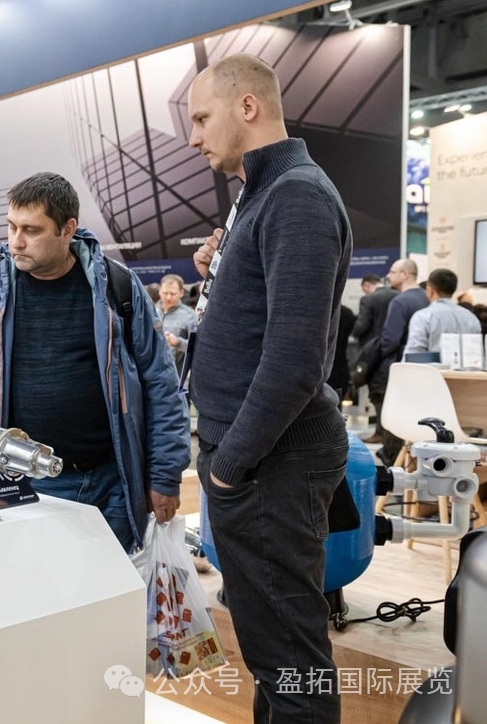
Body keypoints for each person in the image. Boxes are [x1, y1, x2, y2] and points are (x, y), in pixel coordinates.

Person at [187, 54, 351, 722]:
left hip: (267, 463)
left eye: (202, 118)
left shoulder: (295, 196)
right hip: (258, 462)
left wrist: (228, 468)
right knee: (274, 655)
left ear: (247, 107)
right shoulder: (263, 192)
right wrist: (222, 267)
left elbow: (294, 361)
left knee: (290, 664)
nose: (194, 137)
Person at [0, 171, 189, 552]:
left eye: (31, 230)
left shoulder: (116, 287)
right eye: (11, 227)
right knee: (32, 582)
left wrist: (165, 473)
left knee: (110, 586)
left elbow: (161, 383)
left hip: (112, 483)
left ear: (67, 229)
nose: (16, 241)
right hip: (22, 482)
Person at [375, 258, 428, 465]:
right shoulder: (427, 298)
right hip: (425, 370)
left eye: (392, 272)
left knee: (396, 418)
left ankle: (393, 462)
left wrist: (378, 357)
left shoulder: (400, 302)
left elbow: (390, 340)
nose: (388, 276)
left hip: (399, 367)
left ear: (405, 274)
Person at [352, 273, 397, 443]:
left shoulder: (368, 299)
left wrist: (354, 330)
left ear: (366, 285)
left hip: (372, 351)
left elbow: (361, 327)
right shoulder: (397, 296)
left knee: (376, 392)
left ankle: (380, 432)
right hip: (393, 351)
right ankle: (389, 434)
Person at [404, 268, 482, 356]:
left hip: (432, 365)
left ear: (430, 290)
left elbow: (414, 354)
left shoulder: (423, 317)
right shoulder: (471, 317)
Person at [154, 273, 196, 373]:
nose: (168, 297)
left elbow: (196, 347)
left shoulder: (190, 316)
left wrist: (178, 342)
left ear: (181, 293)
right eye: (165, 293)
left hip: (177, 374)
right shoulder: (151, 312)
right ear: (159, 291)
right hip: (152, 372)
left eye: (173, 294)